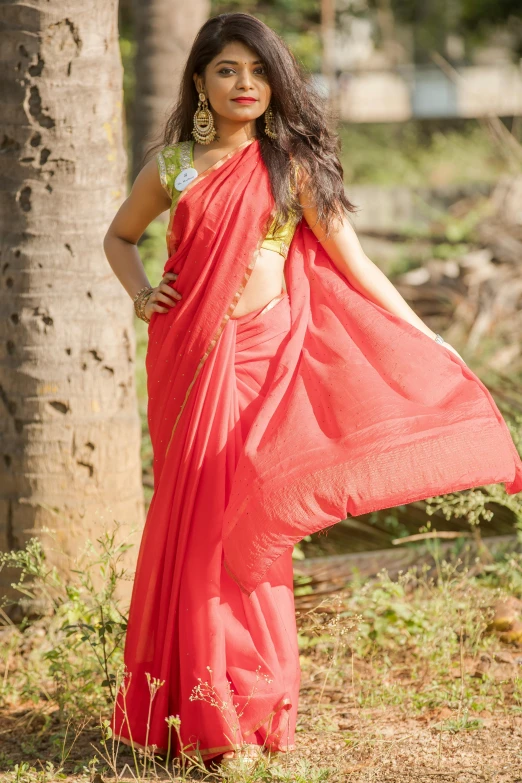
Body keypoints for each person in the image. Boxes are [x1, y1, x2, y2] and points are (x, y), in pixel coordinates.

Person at [103, 12, 522, 768]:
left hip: (266, 364)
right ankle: (187, 711)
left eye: (259, 72)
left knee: (248, 526)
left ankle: (243, 710)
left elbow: (356, 264)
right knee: (189, 525)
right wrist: (140, 295)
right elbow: (119, 237)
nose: (245, 84)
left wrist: (428, 338)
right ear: (199, 79)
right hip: (190, 362)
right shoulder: (175, 166)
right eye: (227, 69)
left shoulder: (285, 165)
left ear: (276, 84)